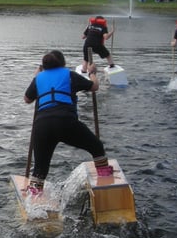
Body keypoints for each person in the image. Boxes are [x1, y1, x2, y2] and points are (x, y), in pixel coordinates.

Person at [23, 50, 113, 195]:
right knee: (97, 148)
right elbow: (94, 86)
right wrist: (92, 73)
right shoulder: (69, 75)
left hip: (42, 126)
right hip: (66, 122)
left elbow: (27, 99)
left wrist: (36, 78)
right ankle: (105, 182)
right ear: (62, 63)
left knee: (40, 170)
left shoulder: (39, 78)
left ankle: (34, 199)